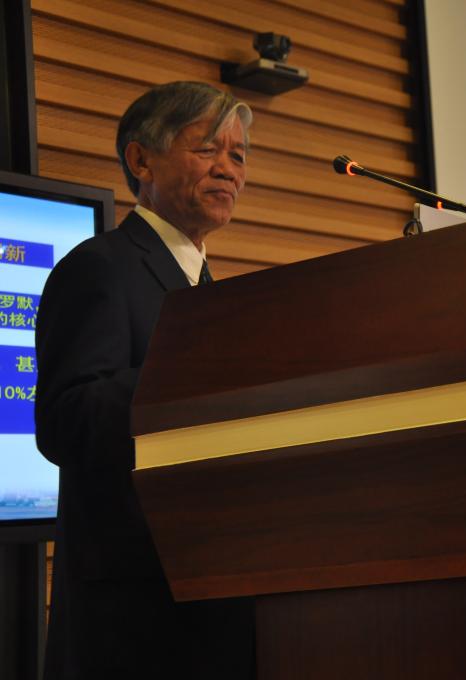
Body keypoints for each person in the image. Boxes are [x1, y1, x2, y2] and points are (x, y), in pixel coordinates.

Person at [35, 82, 254, 680]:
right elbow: (66, 420)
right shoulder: (98, 267)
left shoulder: (208, 288)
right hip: (134, 613)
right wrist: (192, 369)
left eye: (238, 155)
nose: (228, 169)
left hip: (213, 590)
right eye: (207, 148)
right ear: (141, 160)